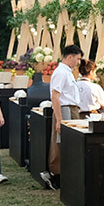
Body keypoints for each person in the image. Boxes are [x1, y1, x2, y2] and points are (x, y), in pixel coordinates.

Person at [42, 44, 83, 189]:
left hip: (71, 109)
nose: (78, 62)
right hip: (65, 110)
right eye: (78, 59)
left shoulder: (67, 72)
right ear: (69, 57)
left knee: (68, 143)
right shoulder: (61, 72)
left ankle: (63, 174)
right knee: (62, 143)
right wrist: (59, 120)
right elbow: (55, 96)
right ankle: (56, 174)